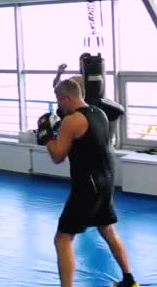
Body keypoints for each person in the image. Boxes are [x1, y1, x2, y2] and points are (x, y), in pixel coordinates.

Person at [36, 79, 138, 287]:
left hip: (87, 186)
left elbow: (57, 156)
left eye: (59, 99)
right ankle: (129, 279)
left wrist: (46, 136)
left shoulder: (71, 121)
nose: (58, 104)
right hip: (106, 179)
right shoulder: (99, 113)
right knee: (106, 229)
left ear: (67, 98)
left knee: (63, 239)